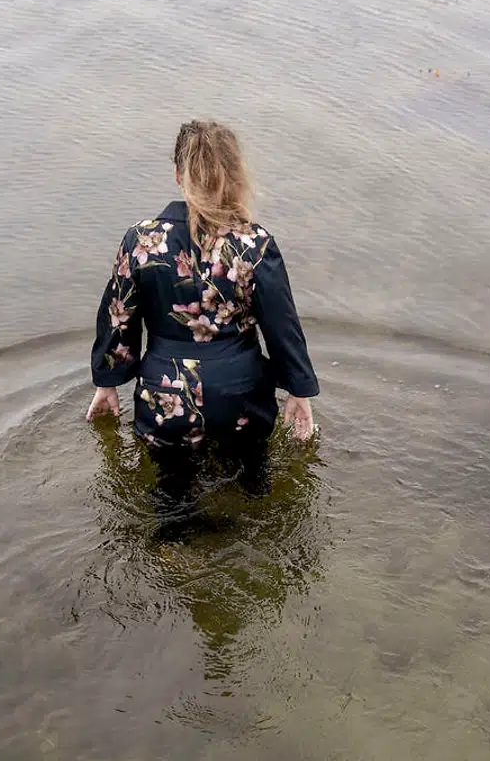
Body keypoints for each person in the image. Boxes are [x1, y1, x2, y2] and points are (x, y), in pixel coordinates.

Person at [86, 120, 319, 500]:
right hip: (239, 394)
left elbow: (118, 317)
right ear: (233, 174)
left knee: (171, 492)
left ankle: (174, 530)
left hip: (166, 397)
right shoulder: (255, 244)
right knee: (252, 483)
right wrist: (299, 390)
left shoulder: (141, 240)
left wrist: (106, 381)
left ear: (178, 175)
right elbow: (282, 327)